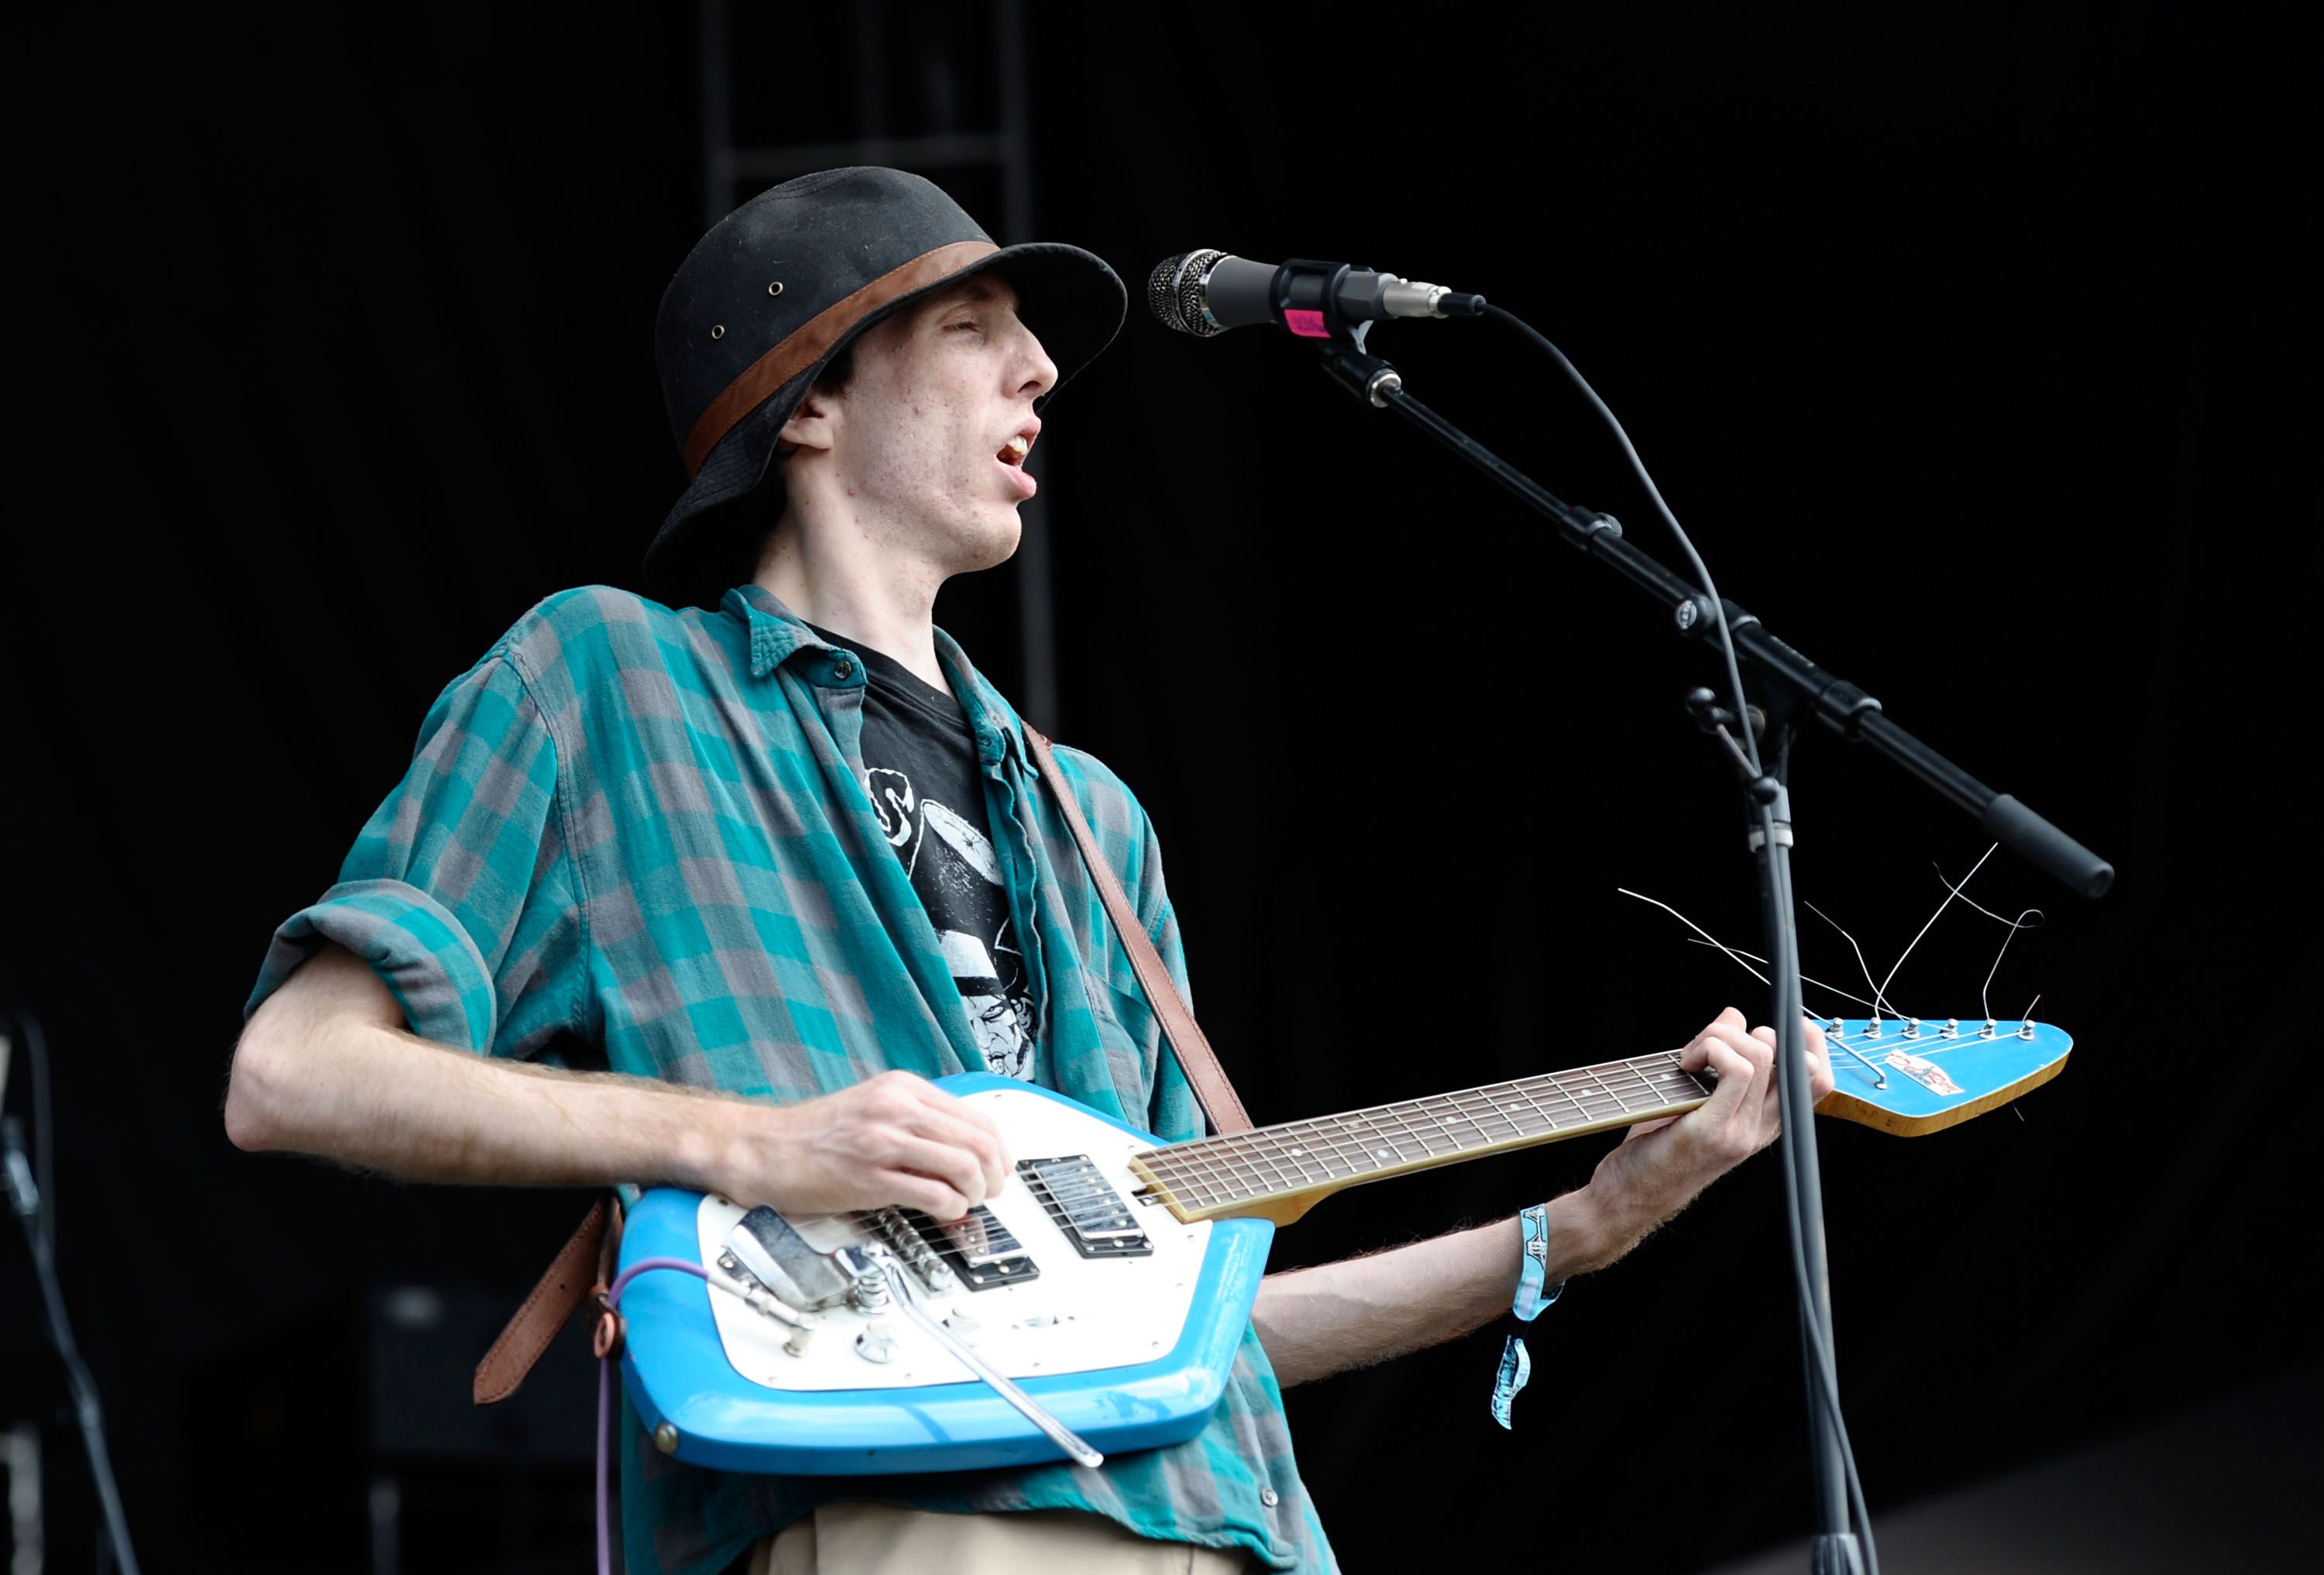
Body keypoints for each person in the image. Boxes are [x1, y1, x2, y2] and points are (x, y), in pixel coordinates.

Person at [224, 167, 1834, 1575]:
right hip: (908, 1509)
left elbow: (1181, 1334)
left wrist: (1587, 1223)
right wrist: (760, 1141)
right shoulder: (610, 685)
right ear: (809, 402)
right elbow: (295, 1073)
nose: (1043, 367)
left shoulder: (1097, 821)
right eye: (971, 326)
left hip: (1231, 1518)